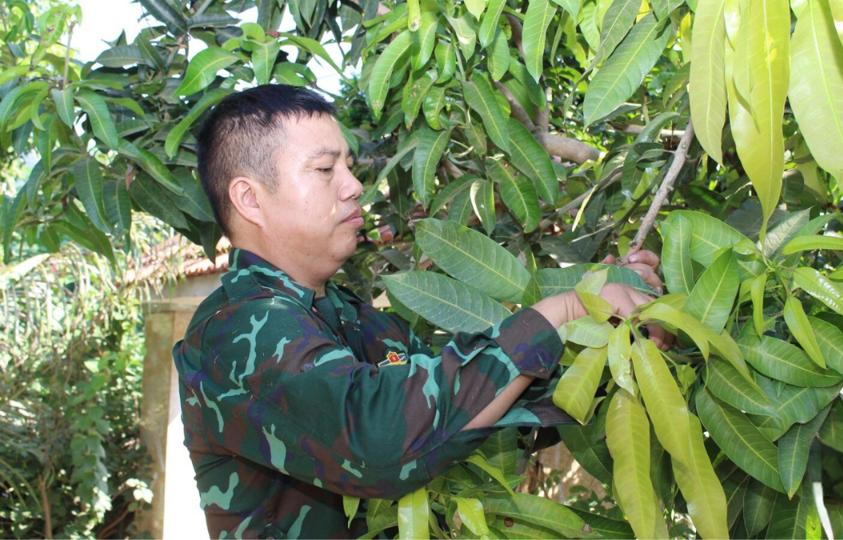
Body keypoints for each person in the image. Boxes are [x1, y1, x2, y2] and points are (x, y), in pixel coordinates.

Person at [172, 84, 666, 539]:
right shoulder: (234, 329)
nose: (353, 186)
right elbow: (378, 440)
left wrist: (605, 320)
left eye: (349, 166)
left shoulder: (351, 317)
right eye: (325, 170)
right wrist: (562, 308)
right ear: (249, 198)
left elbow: (473, 414)